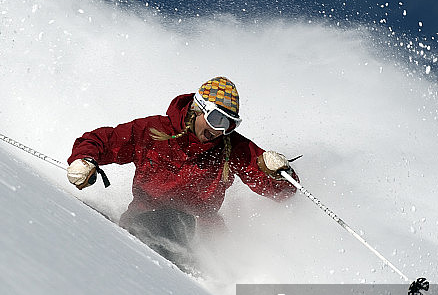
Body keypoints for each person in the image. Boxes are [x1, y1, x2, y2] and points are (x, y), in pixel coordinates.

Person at [67, 76, 298, 271]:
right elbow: (102, 141)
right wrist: (85, 160)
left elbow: (283, 193)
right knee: (172, 220)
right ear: (197, 110)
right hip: (145, 224)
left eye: (229, 124)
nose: (219, 131)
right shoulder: (153, 131)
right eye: (217, 119)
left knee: (237, 255)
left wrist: (279, 173)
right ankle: (184, 276)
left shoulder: (232, 147)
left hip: (204, 238)